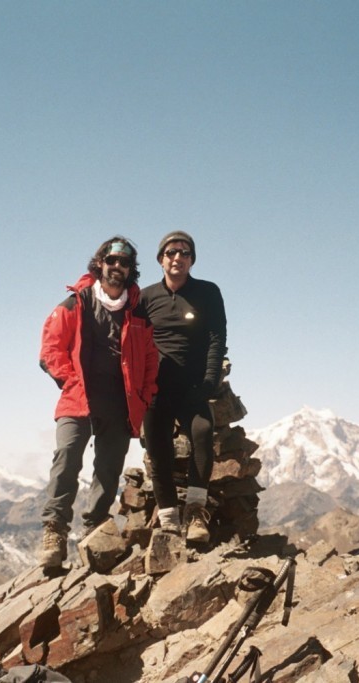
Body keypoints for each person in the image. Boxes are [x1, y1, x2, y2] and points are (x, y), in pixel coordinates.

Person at [37, 236, 159, 568]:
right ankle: (55, 532)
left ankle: (95, 531)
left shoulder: (138, 313)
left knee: (108, 469)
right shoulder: (76, 303)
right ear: (100, 263)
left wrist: (144, 395)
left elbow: (150, 358)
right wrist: (71, 381)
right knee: (67, 457)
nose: (117, 267)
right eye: (112, 261)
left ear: (130, 270)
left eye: (124, 263)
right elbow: (50, 349)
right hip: (79, 399)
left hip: (120, 403)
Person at [141, 231, 227, 544]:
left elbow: (217, 338)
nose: (178, 258)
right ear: (161, 259)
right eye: (171, 252)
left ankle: (195, 511)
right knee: (158, 447)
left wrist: (210, 380)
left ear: (191, 260)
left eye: (185, 253)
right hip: (156, 387)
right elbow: (133, 339)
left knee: (203, 434)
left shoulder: (207, 292)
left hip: (194, 385)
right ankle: (168, 518)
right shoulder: (146, 297)